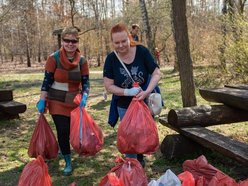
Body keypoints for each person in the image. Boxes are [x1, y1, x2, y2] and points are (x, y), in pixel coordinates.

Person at [103, 23, 161, 167]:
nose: (121, 45)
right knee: (130, 140)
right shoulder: (111, 59)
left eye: (124, 41)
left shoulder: (141, 52)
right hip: (124, 107)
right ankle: (133, 167)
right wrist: (126, 92)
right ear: (112, 43)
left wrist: (147, 91)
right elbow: (108, 85)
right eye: (117, 42)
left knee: (143, 136)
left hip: (145, 103)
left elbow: (156, 73)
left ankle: (140, 161)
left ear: (129, 37)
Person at [37, 26, 90, 175]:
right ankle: (67, 160)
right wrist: (42, 100)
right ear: (62, 41)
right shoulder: (53, 58)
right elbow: (46, 81)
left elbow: (86, 82)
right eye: (67, 40)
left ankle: (64, 148)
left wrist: (85, 95)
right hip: (56, 101)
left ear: (78, 42)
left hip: (74, 102)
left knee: (72, 131)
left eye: (74, 41)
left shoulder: (82, 61)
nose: (70, 44)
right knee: (63, 130)